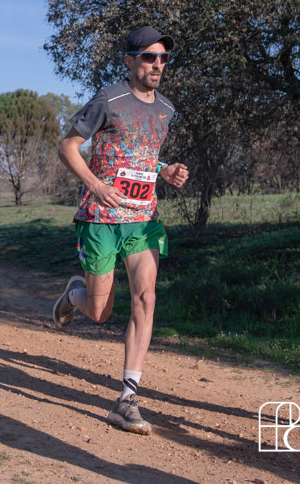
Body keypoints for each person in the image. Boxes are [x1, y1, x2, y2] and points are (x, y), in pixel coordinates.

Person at [50, 26, 190, 435]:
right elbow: (67, 147)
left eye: (163, 58)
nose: (157, 65)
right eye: (148, 57)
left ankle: (127, 399)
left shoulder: (166, 109)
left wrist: (165, 170)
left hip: (143, 219)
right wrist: (96, 185)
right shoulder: (108, 100)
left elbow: (143, 156)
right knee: (100, 313)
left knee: (146, 298)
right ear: (129, 61)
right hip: (100, 219)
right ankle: (73, 296)